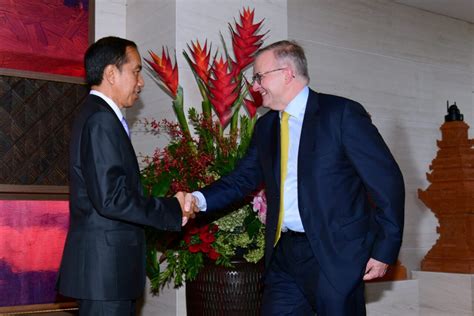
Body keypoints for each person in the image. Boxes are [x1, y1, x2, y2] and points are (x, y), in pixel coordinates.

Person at [191, 40, 405, 315]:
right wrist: (196, 200)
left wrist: (385, 248)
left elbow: (386, 182)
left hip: (335, 255)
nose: (254, 86)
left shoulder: (341, 114)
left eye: (258, 76)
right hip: (284, 255)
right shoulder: (267, 126)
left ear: (287, 73)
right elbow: (242, 179)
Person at [57, 36, 197, 316]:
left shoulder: (98, 116)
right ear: (111, 73)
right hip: (106, 276)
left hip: (109, 275)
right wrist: (171, 208)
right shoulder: (101, 120)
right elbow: (112, 198)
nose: (141, 82)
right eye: (136, 71)